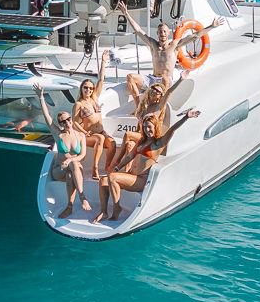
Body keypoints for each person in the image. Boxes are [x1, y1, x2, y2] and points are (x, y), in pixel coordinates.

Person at [92, 108, 201, 224]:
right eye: (145, 127)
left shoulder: (159, 143)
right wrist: (118, 167)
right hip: (131, 176)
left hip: (141, 180)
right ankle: (104, 211)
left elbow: (173, 129)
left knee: (112, 177)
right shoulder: (141, 142)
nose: (147, 129)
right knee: (103, 180)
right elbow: (129, 157)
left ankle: (116, 209)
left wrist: (186, 117)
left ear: (155, 127)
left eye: (149, 127)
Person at [117, 0, 223, 103]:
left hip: (166, 81)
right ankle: (138, 106)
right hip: (152, 79)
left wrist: (212, 26)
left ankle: (160, 104)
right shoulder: (153, 44)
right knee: (130, 77)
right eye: (160, 32)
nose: (162, 34)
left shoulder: (175, 45)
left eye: (164, 31)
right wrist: (126, 14)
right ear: (157, 34)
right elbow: (138, 30)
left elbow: (195, 36)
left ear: (168, 33)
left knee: (165, 79)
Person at [105, 71, 187, 172]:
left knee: (128, 135)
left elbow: (169, 92)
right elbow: (139, 126)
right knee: (130, 145)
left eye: (158, 91)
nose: (155, 91)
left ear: (160, 96)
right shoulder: (144, 107)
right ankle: (127, 171)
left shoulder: (159, 107)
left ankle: (116, 162)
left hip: (152, 137)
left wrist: (180, 80)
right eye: (154, 89)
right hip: (143, 136)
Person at [34, 83, 91, 218]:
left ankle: (69, 206)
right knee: (72, 167)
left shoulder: (80, 135)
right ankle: (82, 197)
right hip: (59, 169)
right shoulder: (58, 134)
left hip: (74, 168)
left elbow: (82, 155)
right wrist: (41, 97)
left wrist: (70, 159)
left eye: (68, 119)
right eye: (63, 121)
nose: (67, 123)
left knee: (72, 170)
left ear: (71, 119)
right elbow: (47, 117)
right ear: (60, 124)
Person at [72, 51, 117, 180]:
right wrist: (83, 132)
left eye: (91, 88)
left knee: (112, 143)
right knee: (100, 139)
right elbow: (74, 122)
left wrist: (103, 62)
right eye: (86, 88)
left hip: (101, 131)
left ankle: (108, 167)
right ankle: (95, 168)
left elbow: (101, 79)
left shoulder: (94, 98)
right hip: (88, 135)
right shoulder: (78, 104)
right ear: (81, 88)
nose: (89, 90)